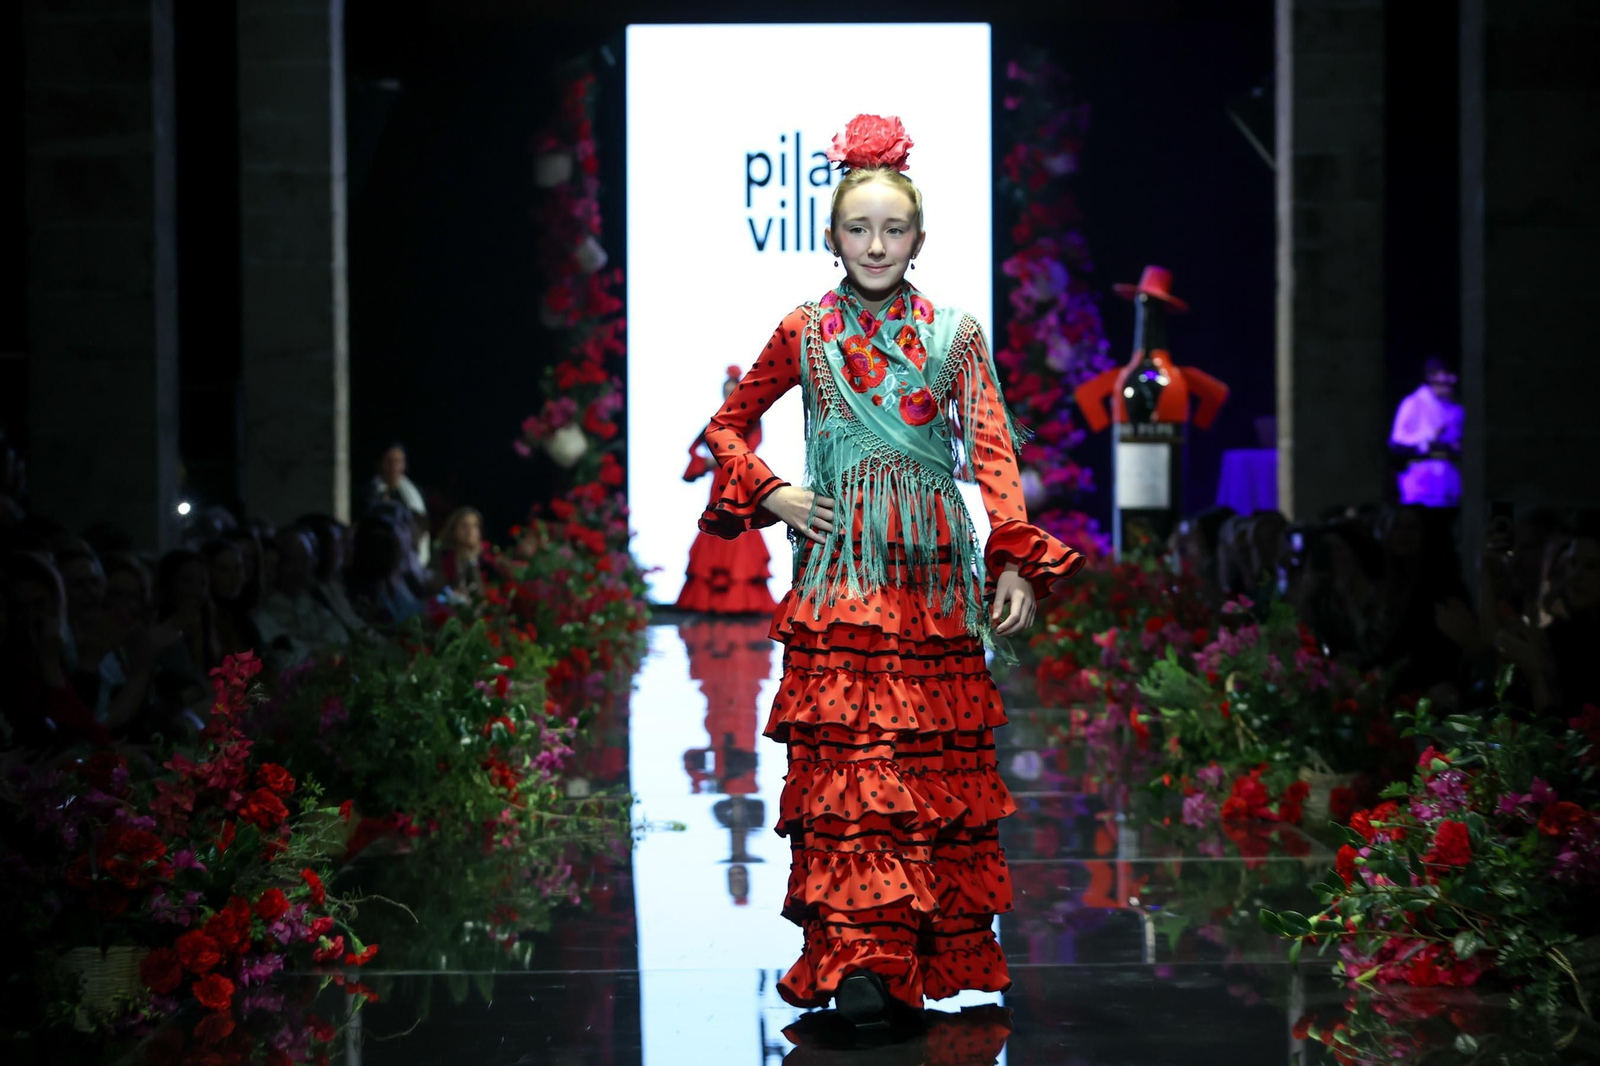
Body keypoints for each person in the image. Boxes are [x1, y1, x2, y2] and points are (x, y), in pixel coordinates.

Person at [695, 114, 1084, 1032]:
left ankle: (908, 953)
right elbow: (726, 427)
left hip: (933, 586)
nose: (876, 245)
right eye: (858, 228)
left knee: (923, 774)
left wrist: (1013, 559)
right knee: (853, 769)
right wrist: (775, 493)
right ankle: (861, 960)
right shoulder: (805, 330)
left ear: (920, 238)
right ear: (832, 236)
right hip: (841, 582)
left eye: (893, 229)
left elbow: (992, 454)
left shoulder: (955, 334)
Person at [677, 366, 779, 614]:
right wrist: (703, 463)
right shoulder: (717, 421)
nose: (729, 395)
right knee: (718, 522)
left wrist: (713, 461)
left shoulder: (752, 419)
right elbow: (695, 447)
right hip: (720, 482)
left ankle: (740, 599)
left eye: (733, 391)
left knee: (739, 521)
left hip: (740, 479)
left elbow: (748, 451)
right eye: (726, 391)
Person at [1389, 358, 1464, 507]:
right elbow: (1397, 439)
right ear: (1432, 377)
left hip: (1448, 481)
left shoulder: (1455, 408)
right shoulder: (1414, 402)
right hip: (1421, 482)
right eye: (1446, 375)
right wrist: (1428, 438)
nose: (1451, 380)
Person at [362, 442, 431, 566]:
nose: (394, 466)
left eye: (399, 461)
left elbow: (421, 523)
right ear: (380, 463)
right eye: (389, 461)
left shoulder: (414, 492)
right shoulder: (370, 493)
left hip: (410, 555)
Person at [433, 506, 486, 604]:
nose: (470, 531)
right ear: (454, 530)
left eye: (475, 526)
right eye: (464, 526)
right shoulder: (443, 556)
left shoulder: (485, 558)